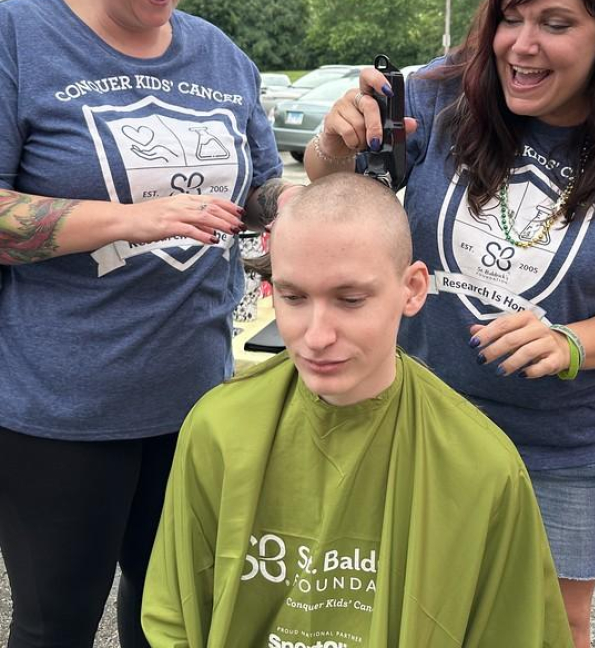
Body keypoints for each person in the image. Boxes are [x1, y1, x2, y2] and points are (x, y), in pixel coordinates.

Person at [304, 0, 595, 648]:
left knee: (548, 619)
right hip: (417, 417)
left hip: (564, 441)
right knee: (411, 605)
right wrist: (331, 142)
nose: (521, 44)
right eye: (509, 18)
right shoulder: (436, 94)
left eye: (555, 23)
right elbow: (336, 196)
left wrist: (569, 342)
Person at [0, 0, 298, 648]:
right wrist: (129, 218)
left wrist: (298, 207)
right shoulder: (19, 39)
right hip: (59, 416)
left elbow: (260, 186)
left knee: (172, 622)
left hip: (198, 404)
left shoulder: (218, 56)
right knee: (55, 623)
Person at [141, 172, 573, 647]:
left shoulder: (483, 465)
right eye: (293, 297)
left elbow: (514, 631)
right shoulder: (218, 429)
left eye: (349, 300)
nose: (317, 336)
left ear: (412, 289)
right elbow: (173, 615)